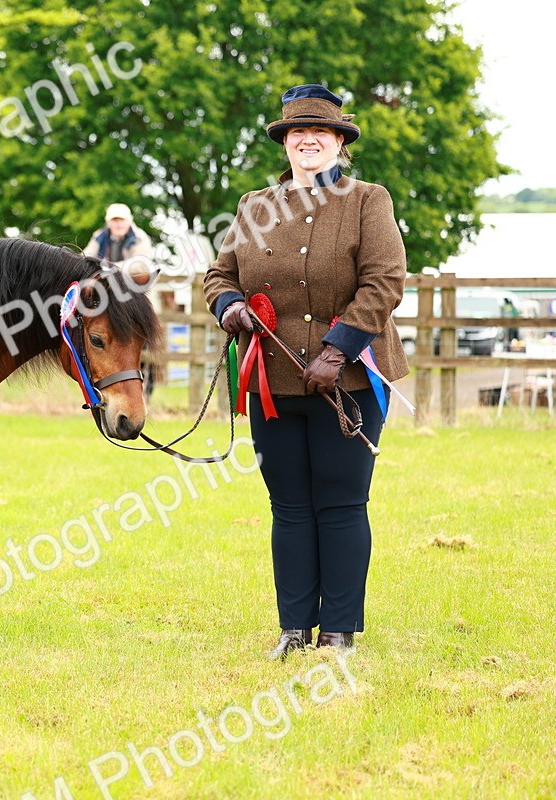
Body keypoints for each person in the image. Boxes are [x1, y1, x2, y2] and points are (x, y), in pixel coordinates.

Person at [203, 84, 409, 658]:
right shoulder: (252, 207)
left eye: (322, 132)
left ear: (340, 142)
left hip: (345, 382)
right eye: (298, 132)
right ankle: (294, 629)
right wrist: (230, 306)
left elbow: (385, 281)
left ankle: (339, 631)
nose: (309, 140)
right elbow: (218, 276)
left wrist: (338, 350)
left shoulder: (369, 200)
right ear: (286, 144)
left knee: (341, 504)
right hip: (274, 383)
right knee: (288, 507)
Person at [84, 204, 160, 396]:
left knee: (143, 344)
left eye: (121, 220)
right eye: (114, 220)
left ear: (129, 221)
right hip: (111, 300)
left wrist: (104, 268)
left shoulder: (139, 238)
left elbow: (140, 265)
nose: (118, 224)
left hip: (134, 298)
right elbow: (84, 258)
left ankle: (146, 386)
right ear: (108, 222)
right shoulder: (99, 236)